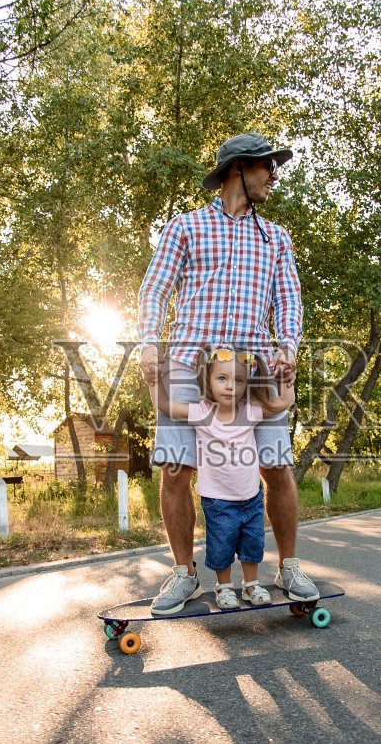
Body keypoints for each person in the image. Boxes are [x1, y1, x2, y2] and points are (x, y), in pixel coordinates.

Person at [136, 132, 319, 617]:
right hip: (189, 361)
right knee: (177, 470)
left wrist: (287, 347)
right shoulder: (187, 227)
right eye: (267, 166)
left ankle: (290, 566)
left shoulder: (276, 237)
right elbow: (155, 289)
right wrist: (149, 343)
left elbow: (289, 300)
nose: (274, 175)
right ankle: (183, 574)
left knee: (276, 465)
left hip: (255, 368)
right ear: (238, 168)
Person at [150, 347, 296, 610]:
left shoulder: (250, 410)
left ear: (246, 383)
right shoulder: (201, 412)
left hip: (251, 497)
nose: (230, 387)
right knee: (221, 547)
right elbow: (164, 405)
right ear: (207, 380)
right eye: (222, 379)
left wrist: (287, 381)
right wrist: (154, 381)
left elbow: (282, 403)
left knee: (252, 544)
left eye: (238, 380)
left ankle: (251, 585)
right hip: (218, 500)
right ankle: (224, 587)